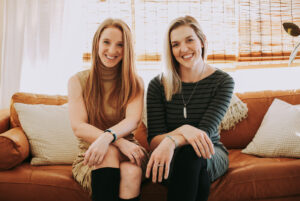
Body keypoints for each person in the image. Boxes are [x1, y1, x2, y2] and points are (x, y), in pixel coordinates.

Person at [146, 15, 234, 201]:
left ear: (202, 41)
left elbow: (204, 134)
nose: (183, 49)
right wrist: (184, 130)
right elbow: (154, 142)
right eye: (175, 44)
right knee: (193, 168)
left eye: (189, 40)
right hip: (169, 157)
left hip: (210, 151)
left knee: (191, 154)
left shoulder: (223, 82)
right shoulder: (158, 85)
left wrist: (170, 141)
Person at [68, 18, 148, 201]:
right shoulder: (77, 81)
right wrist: (114, 141)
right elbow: (78, 126)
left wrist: (108, 138)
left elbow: (132, 120)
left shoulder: (136, 82)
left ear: (127, 49)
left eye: (120, 44)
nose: (112, 50)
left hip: (129, 151)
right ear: (97, 42)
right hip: (91, 154)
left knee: (131, 170)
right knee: (110, 154)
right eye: (106, 42)